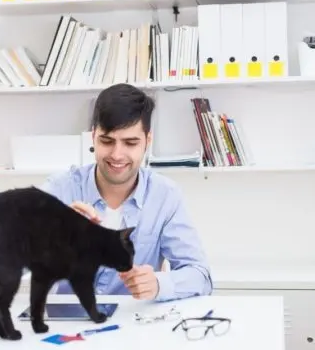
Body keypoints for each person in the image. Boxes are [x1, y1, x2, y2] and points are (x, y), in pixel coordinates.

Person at [40, 83, 213, 302]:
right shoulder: (60, 188)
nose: (117, 155)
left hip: (135, 325)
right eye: (107, 141)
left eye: (130, 143)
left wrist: (159, 284)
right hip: (66, 326)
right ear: (93, 137)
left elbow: (201, 275)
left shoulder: (165, 196)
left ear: (147, 142)